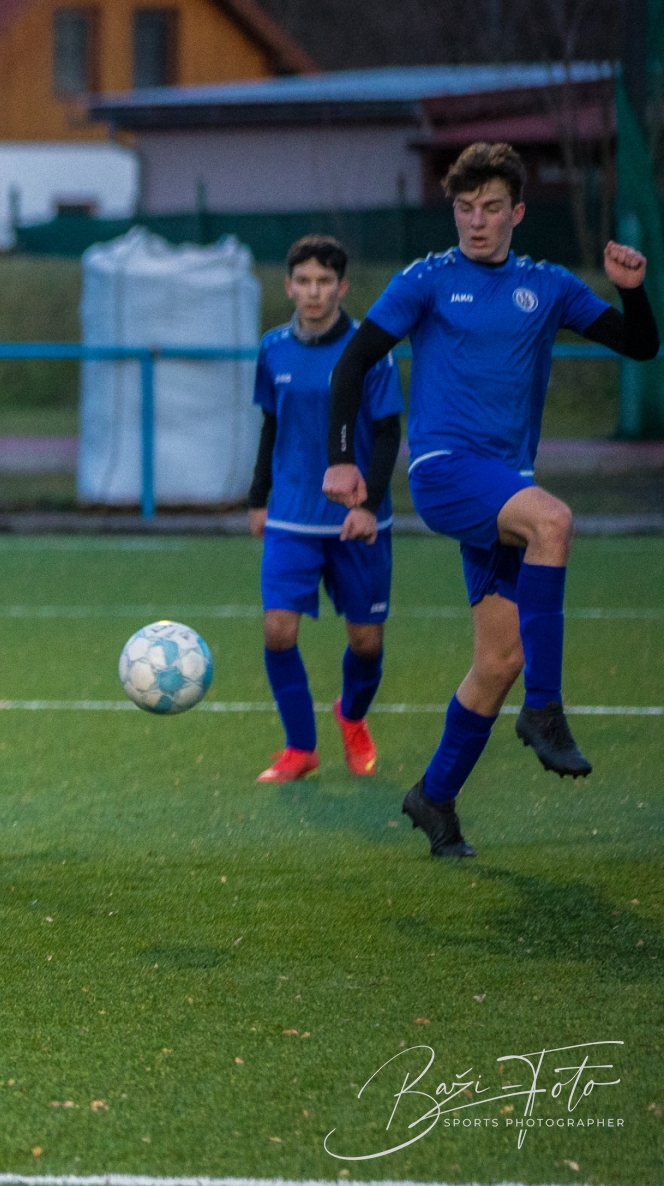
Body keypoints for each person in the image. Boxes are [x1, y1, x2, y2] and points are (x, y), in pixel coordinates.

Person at [324, 142, 658, 856]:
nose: (476, 221)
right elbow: (353, 360)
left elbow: (639, 346)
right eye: (465, 207)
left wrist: (632, 290)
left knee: (498, 661)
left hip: (505, 485)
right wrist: (341, 459)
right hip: (445, 471)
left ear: (518, 213)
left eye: (491, 208)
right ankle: (546, 709)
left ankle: (434, 797)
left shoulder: (549, 285)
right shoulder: (427, 279)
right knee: (554, 521)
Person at [247, 235, 402, 783]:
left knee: (366, 643)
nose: (314, 291)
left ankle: (352, 716)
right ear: (288, 286)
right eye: (304, 281)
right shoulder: (272, 349)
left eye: (324, 281)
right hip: (291, 514)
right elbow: (271, 424)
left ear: (343, 287)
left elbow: (388, 433)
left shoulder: (369, 349)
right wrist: (258, 498)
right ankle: (300, 748)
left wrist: (370, 505)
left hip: (356, 519)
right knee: (277, 632)